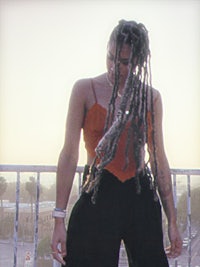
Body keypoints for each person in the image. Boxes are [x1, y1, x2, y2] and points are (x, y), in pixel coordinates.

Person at [51, 19, 182, 267]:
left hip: (140, 194)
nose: (114, 67)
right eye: (110, 57)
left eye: (123, 62)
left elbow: (158, 158)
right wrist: (59, 218)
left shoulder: (151, 98)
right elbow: (69, 155)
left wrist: (173, 221)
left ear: (139, 62)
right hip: (98, 194)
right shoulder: (84, 90)